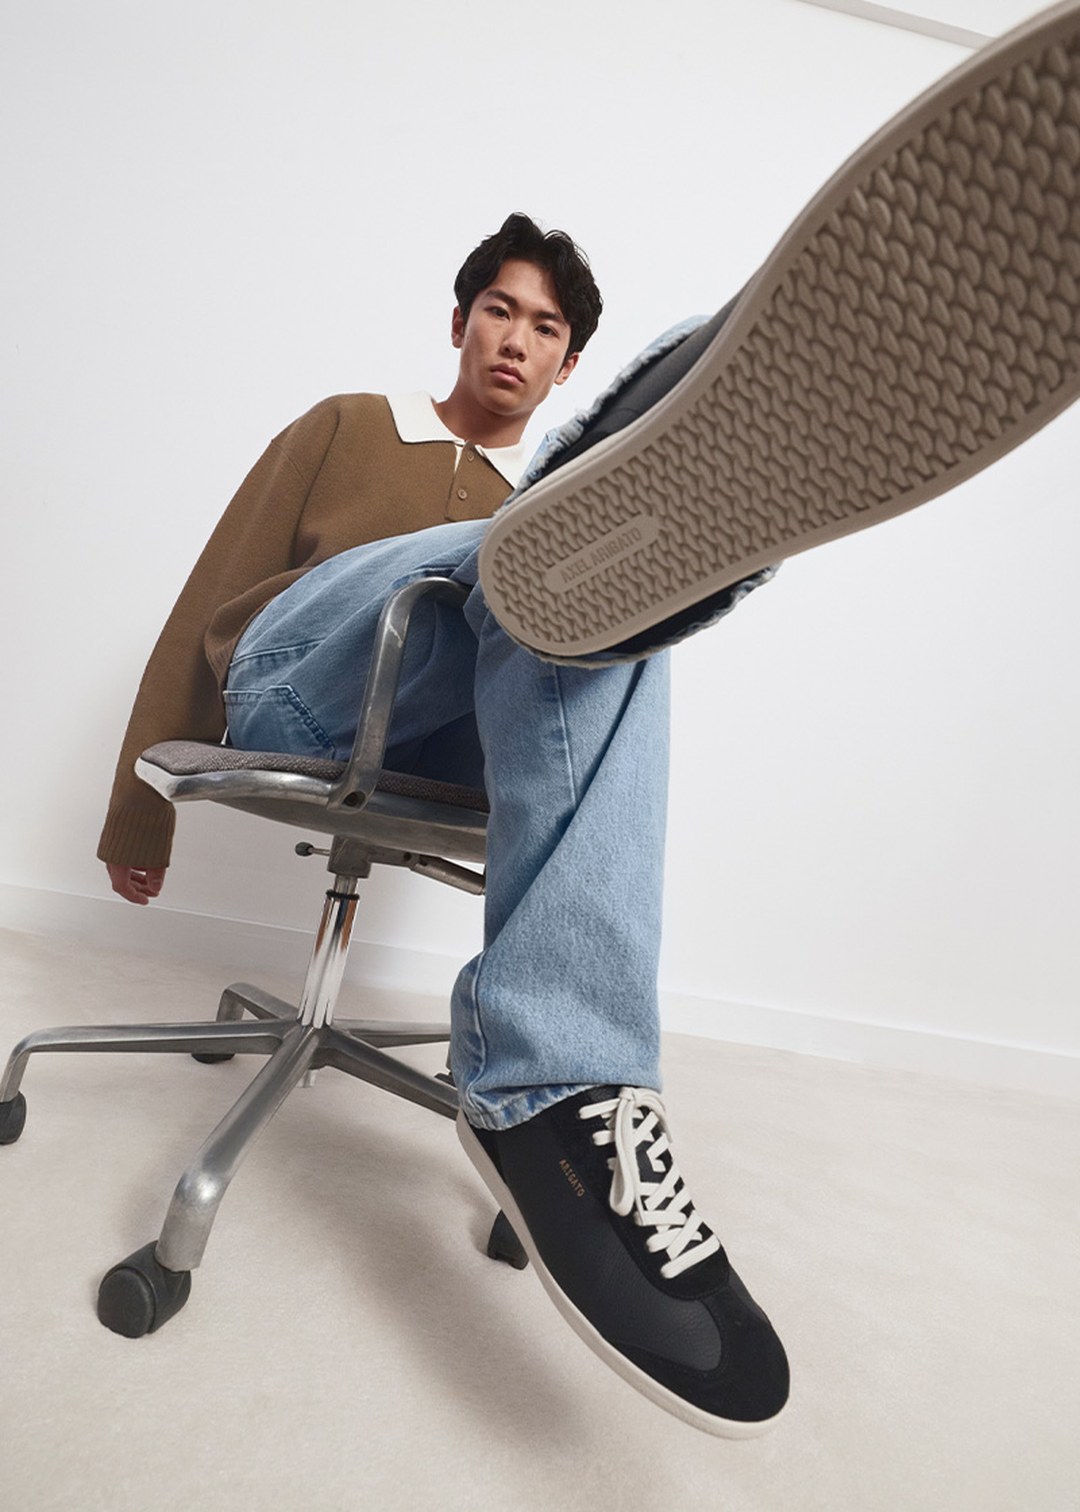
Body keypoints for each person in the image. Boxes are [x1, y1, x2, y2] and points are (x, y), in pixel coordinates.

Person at [98, 0, 1080, 1443]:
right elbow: (214, 586)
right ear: (460, 323)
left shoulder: (547, 536)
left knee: (597, 602)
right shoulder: (356, 421)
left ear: (563, 365)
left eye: (546, 327)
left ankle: (563, 1090)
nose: (512, 334)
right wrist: (139, 806)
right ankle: (687, 407)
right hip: (303, 682)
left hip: (466, 699)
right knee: (549, 563)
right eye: (498, 308)